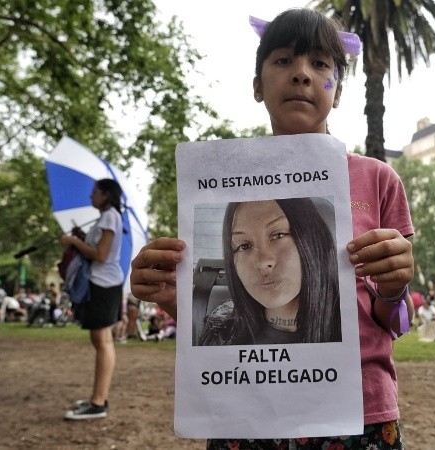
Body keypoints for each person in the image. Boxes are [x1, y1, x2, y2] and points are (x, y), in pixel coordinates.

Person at [130, 8, 414, 448]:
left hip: (357, 410)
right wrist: (166, 292)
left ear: (336, 91)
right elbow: (207, 331)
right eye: (283, 60)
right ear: (258, 86)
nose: (301, 74)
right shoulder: (215, 181)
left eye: (320, 65)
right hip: (245, 413)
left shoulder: (378, 179)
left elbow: (393, 320)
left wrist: (396, 287)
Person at [197, 198, 341, 345]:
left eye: (279, 235)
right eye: (244, 246)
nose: (262, 262)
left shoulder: (355, 326)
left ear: (312, 241)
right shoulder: (220, 335)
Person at [59, 178, 125, 420]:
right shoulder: (107, 217)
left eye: (94, 192)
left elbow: (101, 254)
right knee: (101, 341)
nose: (90, 197)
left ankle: (98, 402)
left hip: (103, 283)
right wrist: (82, 236)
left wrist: (73, 241)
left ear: (106, 194)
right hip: (103, 283)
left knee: (102, 341)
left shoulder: (109, 216)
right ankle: (98, 397)